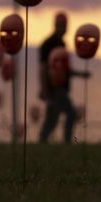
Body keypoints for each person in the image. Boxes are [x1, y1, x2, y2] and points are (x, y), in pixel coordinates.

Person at [38, 11, 90, 143]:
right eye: (61, 25)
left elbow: (65, 70)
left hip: (59, 88)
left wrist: (80, 75)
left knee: (52, 120)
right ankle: (67, 142)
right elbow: (43, 68)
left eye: (65, 25)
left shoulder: (62, 44)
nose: (64, 28)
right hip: (54, 88)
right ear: (56, 25)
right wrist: (44, 88)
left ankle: (41, 143)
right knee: (70, 113)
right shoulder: (48, 44)